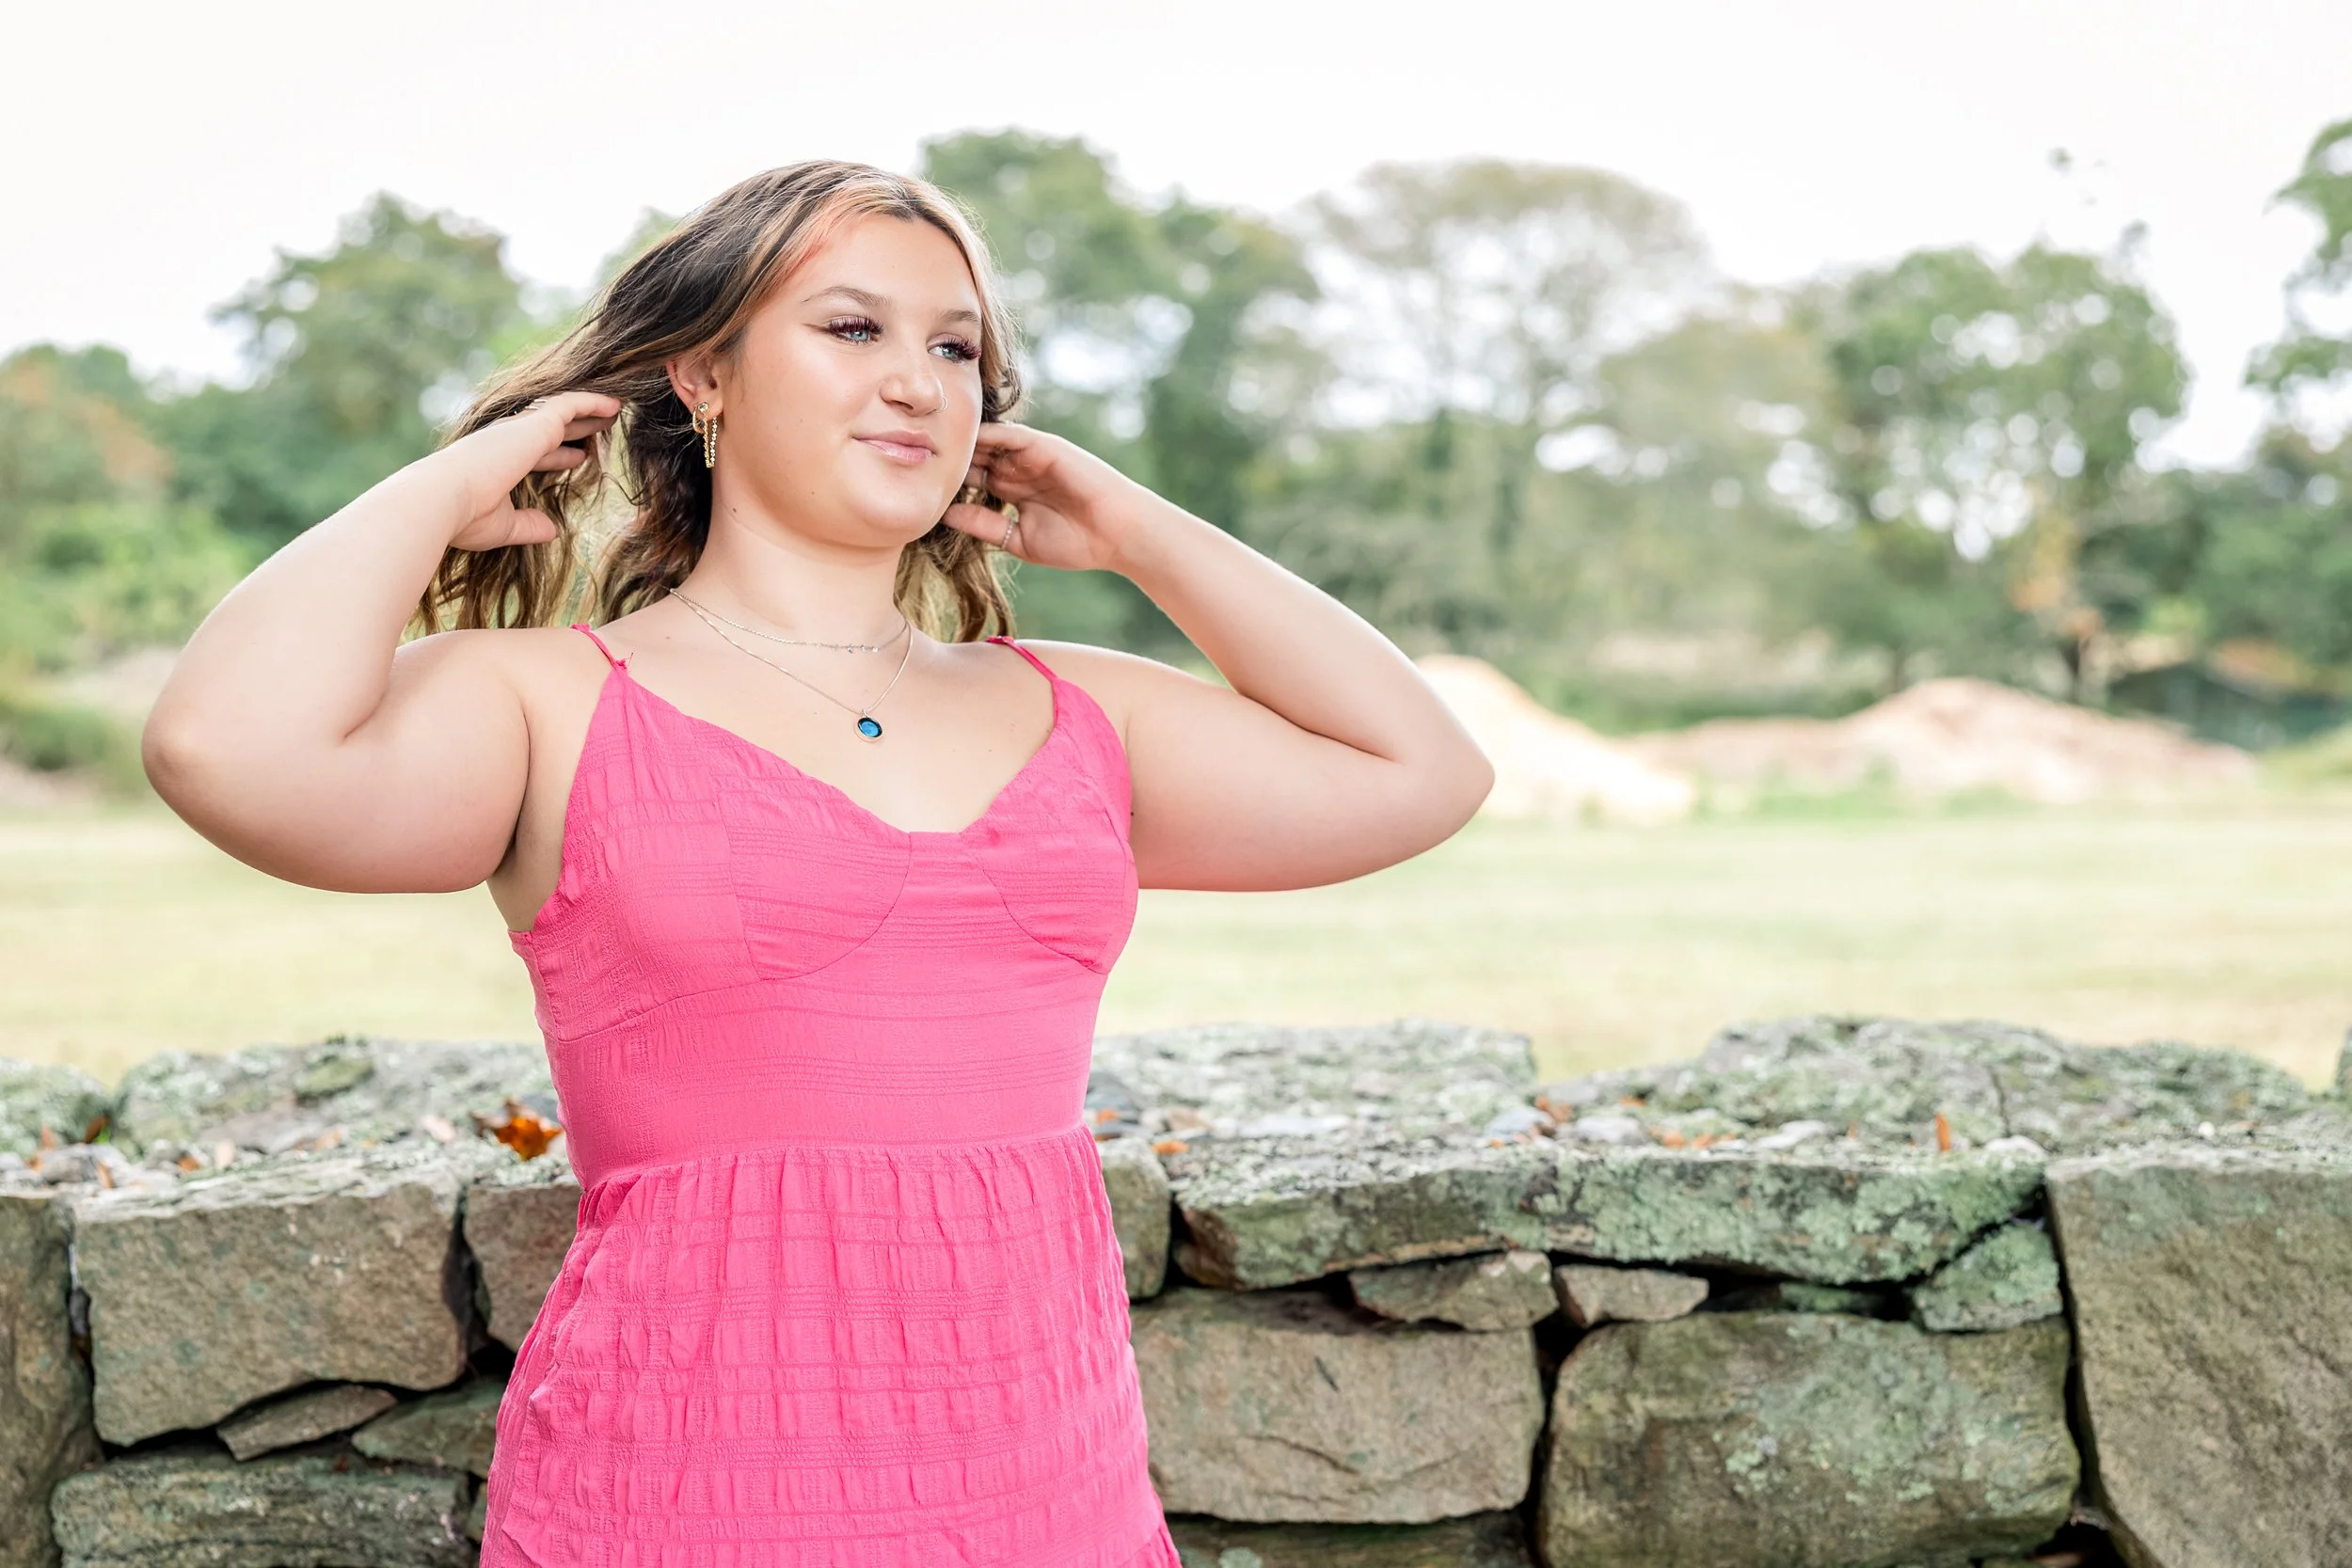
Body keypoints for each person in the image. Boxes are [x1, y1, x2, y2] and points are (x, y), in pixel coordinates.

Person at [142, 161, 1492, 1565]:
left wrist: (1139, 532)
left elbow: (1422, 772)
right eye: (853, 329)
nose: (917, 380)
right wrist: (439, 489)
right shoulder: (549, 698)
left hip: (1051, 1506)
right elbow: (221, 751)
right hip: (682, 1503)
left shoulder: (1082, 709)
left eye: (954, 346)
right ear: (705, 376)